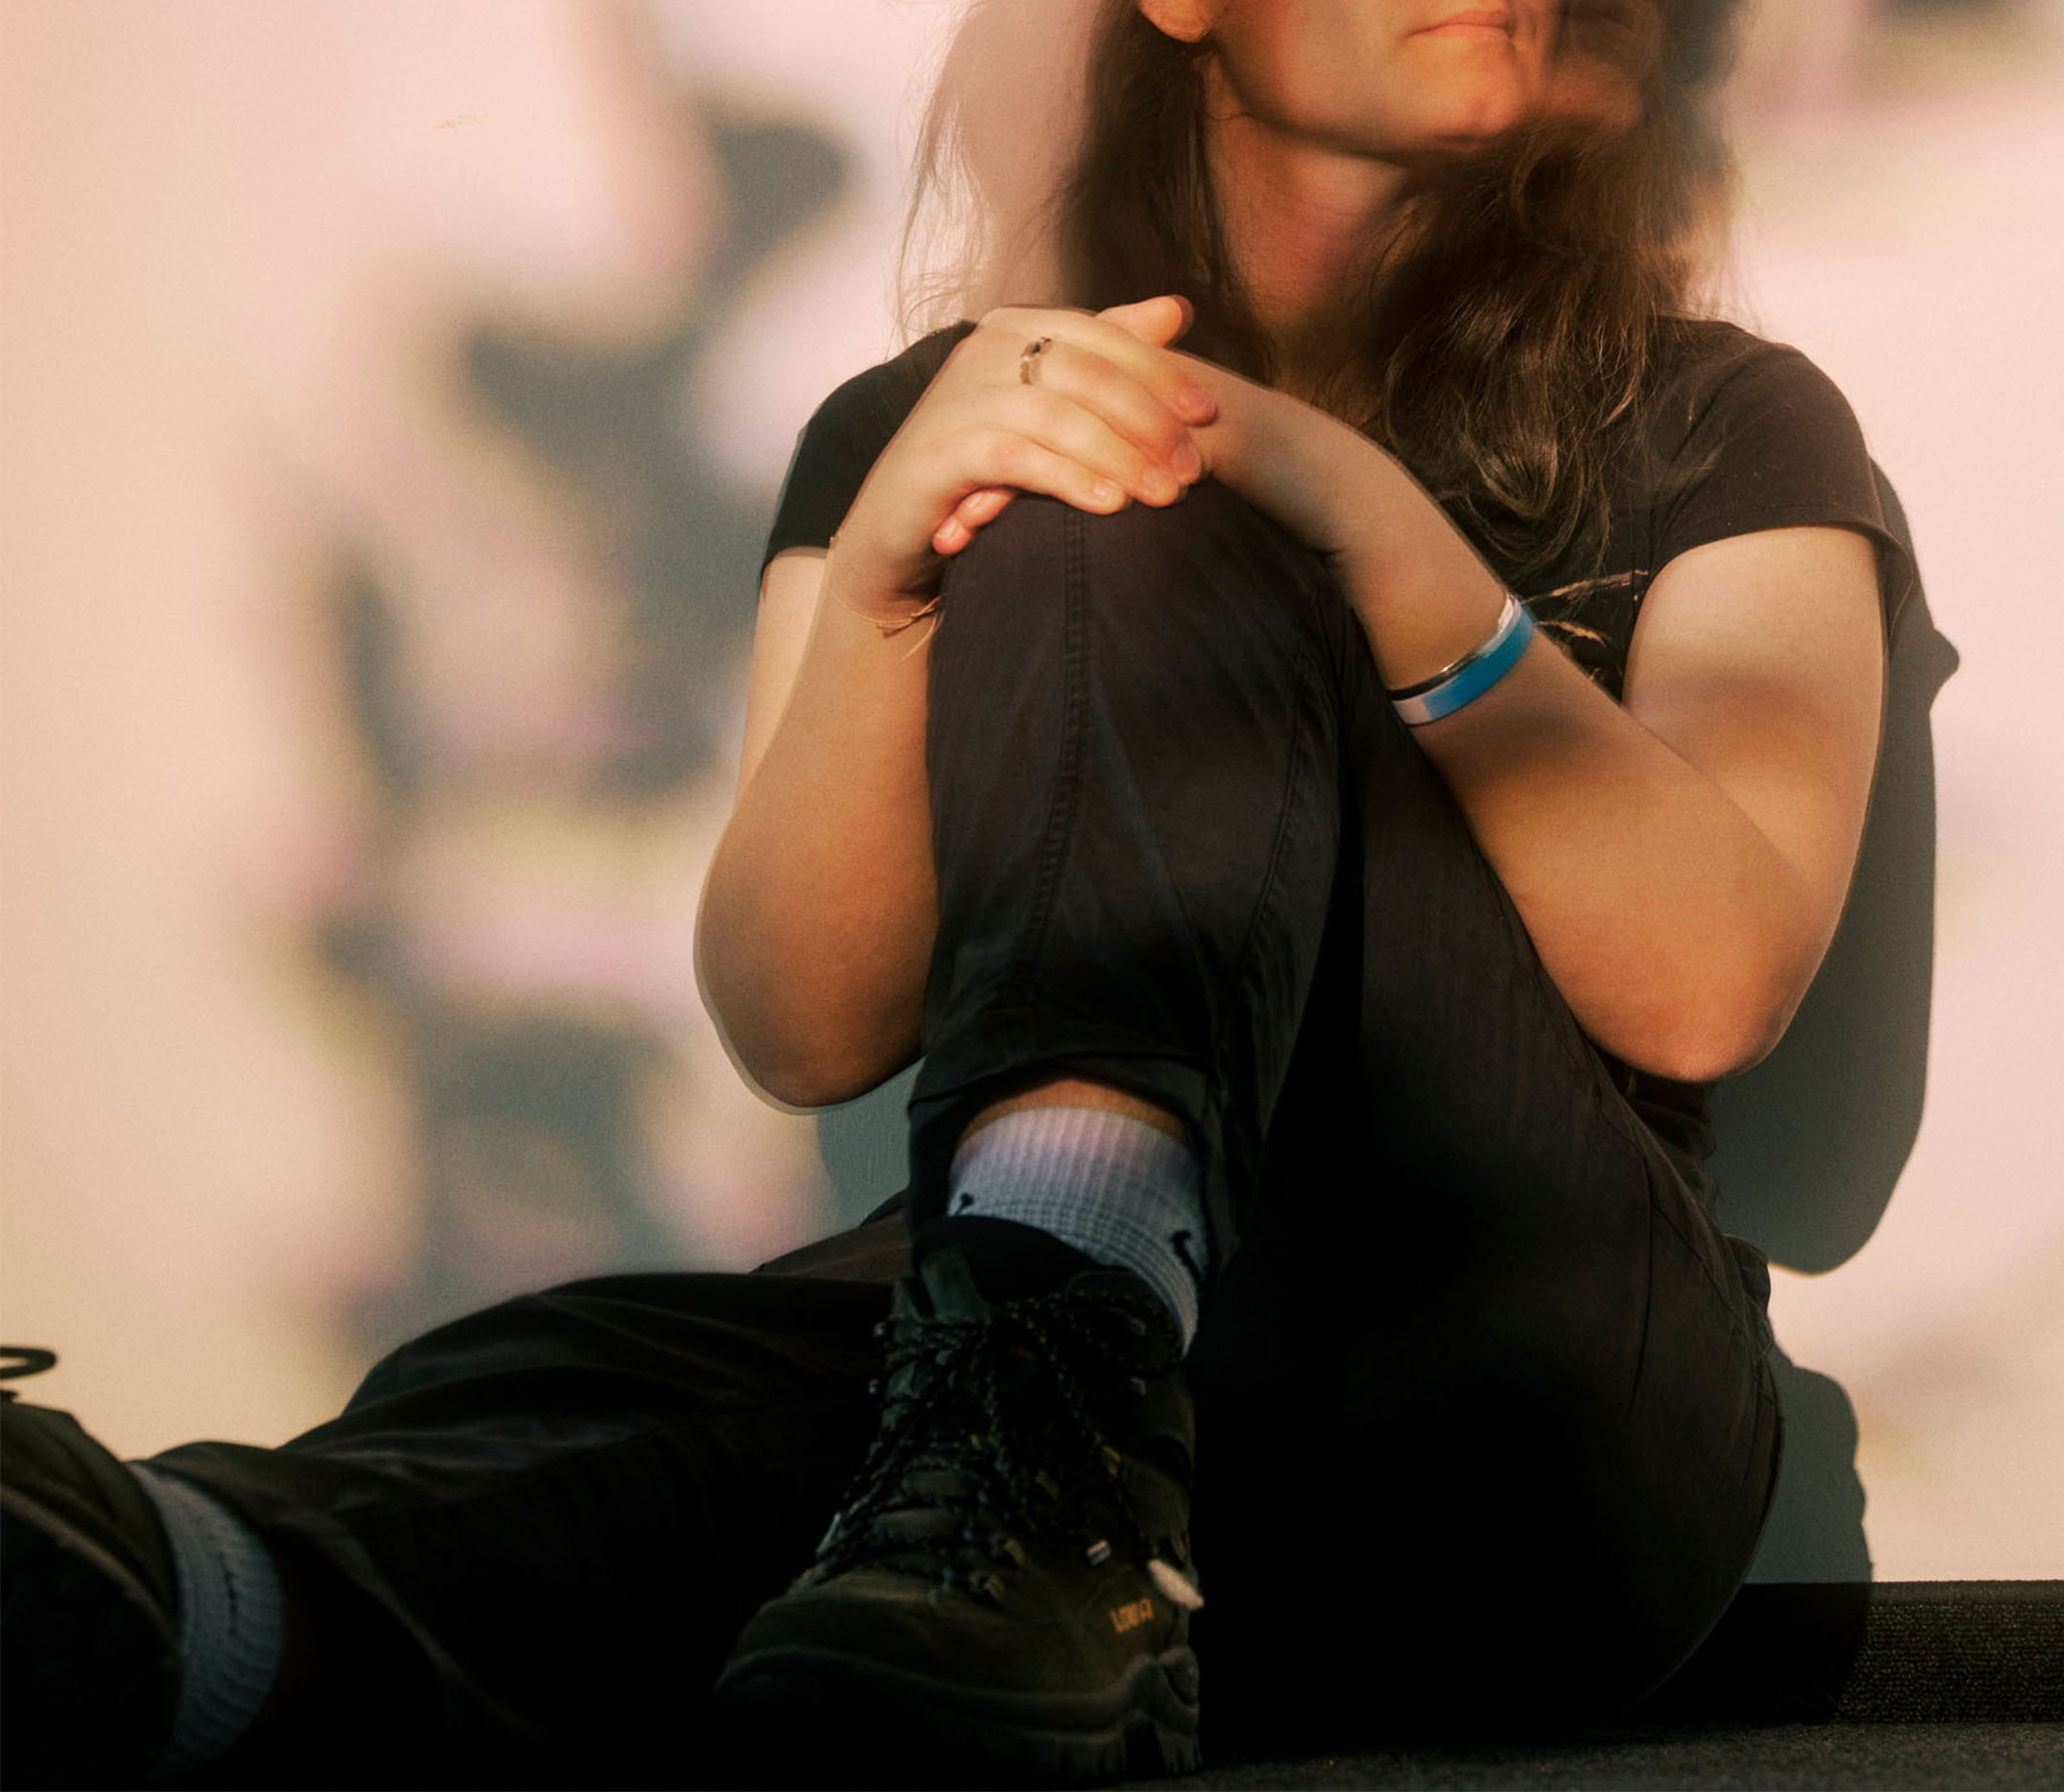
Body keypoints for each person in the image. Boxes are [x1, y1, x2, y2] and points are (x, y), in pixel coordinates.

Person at [0, 0, 1918, 1783]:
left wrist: (1351, 512)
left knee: (1118, 471)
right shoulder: (943, 422)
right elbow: (801, 1018)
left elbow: (1708, 987)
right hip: (1119, 1462)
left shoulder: (1723, 420)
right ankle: (176, 1603)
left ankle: (1032, 1395)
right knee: (605, 1382)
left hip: (1529, 1408)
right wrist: (882, 581)